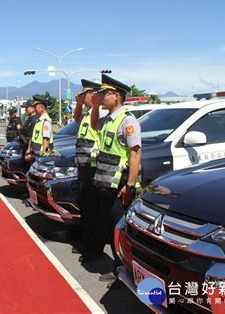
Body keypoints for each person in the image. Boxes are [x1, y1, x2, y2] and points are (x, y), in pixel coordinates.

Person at [90, 73, 141, 288]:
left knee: (119, 229)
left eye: (104, 94)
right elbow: (94, 126)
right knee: (111, 226)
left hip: (120, 186)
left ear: (117, 96)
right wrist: (94, 106)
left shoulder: (127, 120)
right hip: (105, 183)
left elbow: (135, 154)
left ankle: (122, 270)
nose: (101, 97)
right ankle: (119, 267)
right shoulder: (108, 119)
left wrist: (129, 186)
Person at [73, 79, 105, 263]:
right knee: (85, 208)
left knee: (94, 211)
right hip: (83, 167)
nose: (82, 97)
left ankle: (95, 247)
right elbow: (76, 119)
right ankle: (87, 242)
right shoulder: (86, 114)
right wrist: (78, 104)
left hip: (93, 168)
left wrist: (94, 105)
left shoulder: (98, 113)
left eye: (84, 95)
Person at [25, 95, 53, 162]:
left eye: (36, 107)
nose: (34, 109)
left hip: (41, 156)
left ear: (42, 107)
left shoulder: (46, 121)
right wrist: (29, 151)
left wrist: (43, 157)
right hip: (35, 154)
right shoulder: (39, 120)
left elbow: (46, 140)